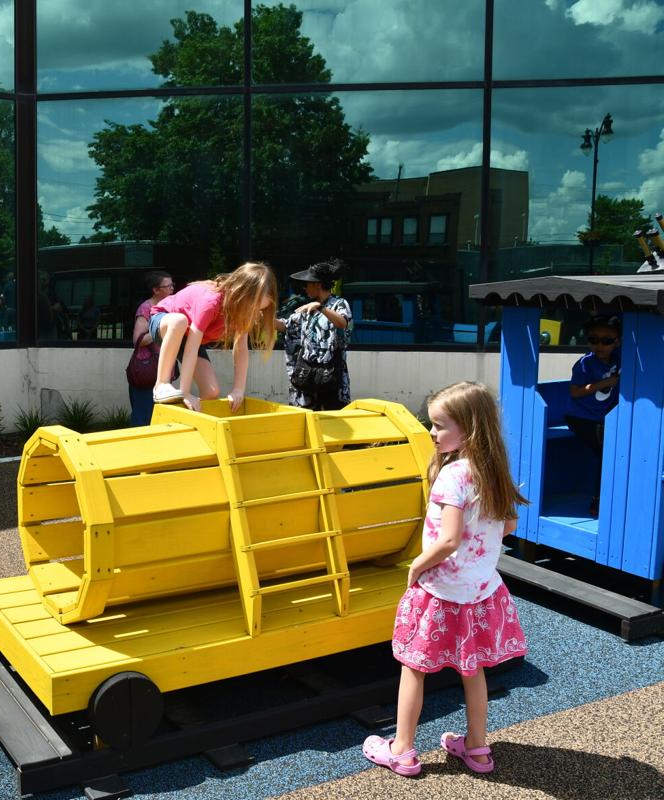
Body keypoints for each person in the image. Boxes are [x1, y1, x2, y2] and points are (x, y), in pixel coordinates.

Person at [362, 381, 528, 778]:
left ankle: (401, 749)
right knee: (472, 669)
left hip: (441, 591)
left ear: (467, 430)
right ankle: (477, 748)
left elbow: (449, 540)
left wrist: (417, 565)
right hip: (480, 589)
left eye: (439, 425)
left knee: (414, 667)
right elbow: (507, 525)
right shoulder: (493, 470)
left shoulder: (453, 476)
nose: (432, 432)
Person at [148, 261, 278, 413]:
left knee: (211, 392)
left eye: (260, 309)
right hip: (165, 321)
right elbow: (191, 348)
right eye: (253, 306)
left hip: (188, 336)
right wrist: (185, 392)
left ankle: (192, 421)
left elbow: (241, 348)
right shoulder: (211, 301)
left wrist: (238, 390)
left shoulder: (243, 313)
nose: (255, 312)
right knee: (179, 321)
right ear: (241, 293)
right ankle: (161, 384)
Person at [275, 259, 352, 411]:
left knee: (332, 422)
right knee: (307, 419)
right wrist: (263, 317)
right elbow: (286, 326)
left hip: (331, 375)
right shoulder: (307, 306)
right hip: (308, 375)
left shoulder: (339, 304)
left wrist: (320, 307)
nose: (304, 288)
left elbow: (343, 323)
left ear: (317, 284)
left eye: (307, 284)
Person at [565, 314, 621, 516]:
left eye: (607, 341)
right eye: (593, 339)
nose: (599, 345)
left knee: (612, 446)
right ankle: (599, 499)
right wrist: (605, 383)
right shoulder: (584, 364)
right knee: (607, 450)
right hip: (581, 417)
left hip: (604, 418)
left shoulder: (620, 358)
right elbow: (575, 392)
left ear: (617, 342)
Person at [128, 271, 174, 426]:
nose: (172, 289)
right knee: (144, 417)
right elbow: (138, 340)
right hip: (147, 371)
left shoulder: (170, 307)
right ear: (156, 290)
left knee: (160, 416)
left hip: (163, 369)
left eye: (172, 285)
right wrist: (162, 328)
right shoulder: (146, 308)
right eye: (168, 286)